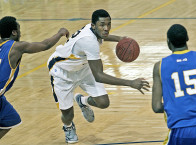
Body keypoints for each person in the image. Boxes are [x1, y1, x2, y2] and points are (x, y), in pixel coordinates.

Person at [47, 9, 150, 143]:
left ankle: (82, 101)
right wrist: (130, 83)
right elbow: (99, 76)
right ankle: (68, 127)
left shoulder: (92, 29)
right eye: (102, 25)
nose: (106, 28)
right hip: (62, 73)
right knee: (68, 115)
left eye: (109, 24)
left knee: (103, 102)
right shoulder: (89, 42)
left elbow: (103, 35)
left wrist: (119, 39)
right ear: (94, 25)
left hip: (83, 69)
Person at [0, 16, 69, 139]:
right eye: (19, 29)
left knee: (11, 119)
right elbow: (45, 44)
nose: (20, 32)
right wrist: (60, 33)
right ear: (14, 32)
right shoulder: (17, 47)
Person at [152, 24, 196, 145]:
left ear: (168, 42)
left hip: (180, 130)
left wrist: (176, 105)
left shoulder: (160, 66)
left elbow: (157, 107)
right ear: (187, 38)